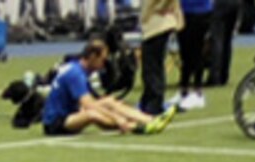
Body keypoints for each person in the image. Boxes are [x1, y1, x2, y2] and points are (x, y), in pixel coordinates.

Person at [42, 39, 171, 134]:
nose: (104, 65)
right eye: (102, 60)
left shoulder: (77, 68)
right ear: (92, 57)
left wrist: (112, 107)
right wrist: (117, 118)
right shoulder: (75, 74)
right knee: (92, 114)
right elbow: (89, 105)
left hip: (71, 113)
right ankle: (136, 127)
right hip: (56, 122)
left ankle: (150, 119)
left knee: (108, 101)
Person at [138, 0, 184, 116]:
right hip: (157, 22)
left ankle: (154, 104)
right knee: (151, 67)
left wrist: (159, 8)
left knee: (152, 67)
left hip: (157, 23)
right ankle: (148, 100)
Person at [175, 0, 213, 110]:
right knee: (185, 54)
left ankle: (198, 92)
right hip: (182, 12)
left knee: (196, 53)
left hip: (200, 12)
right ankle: (183, 91)